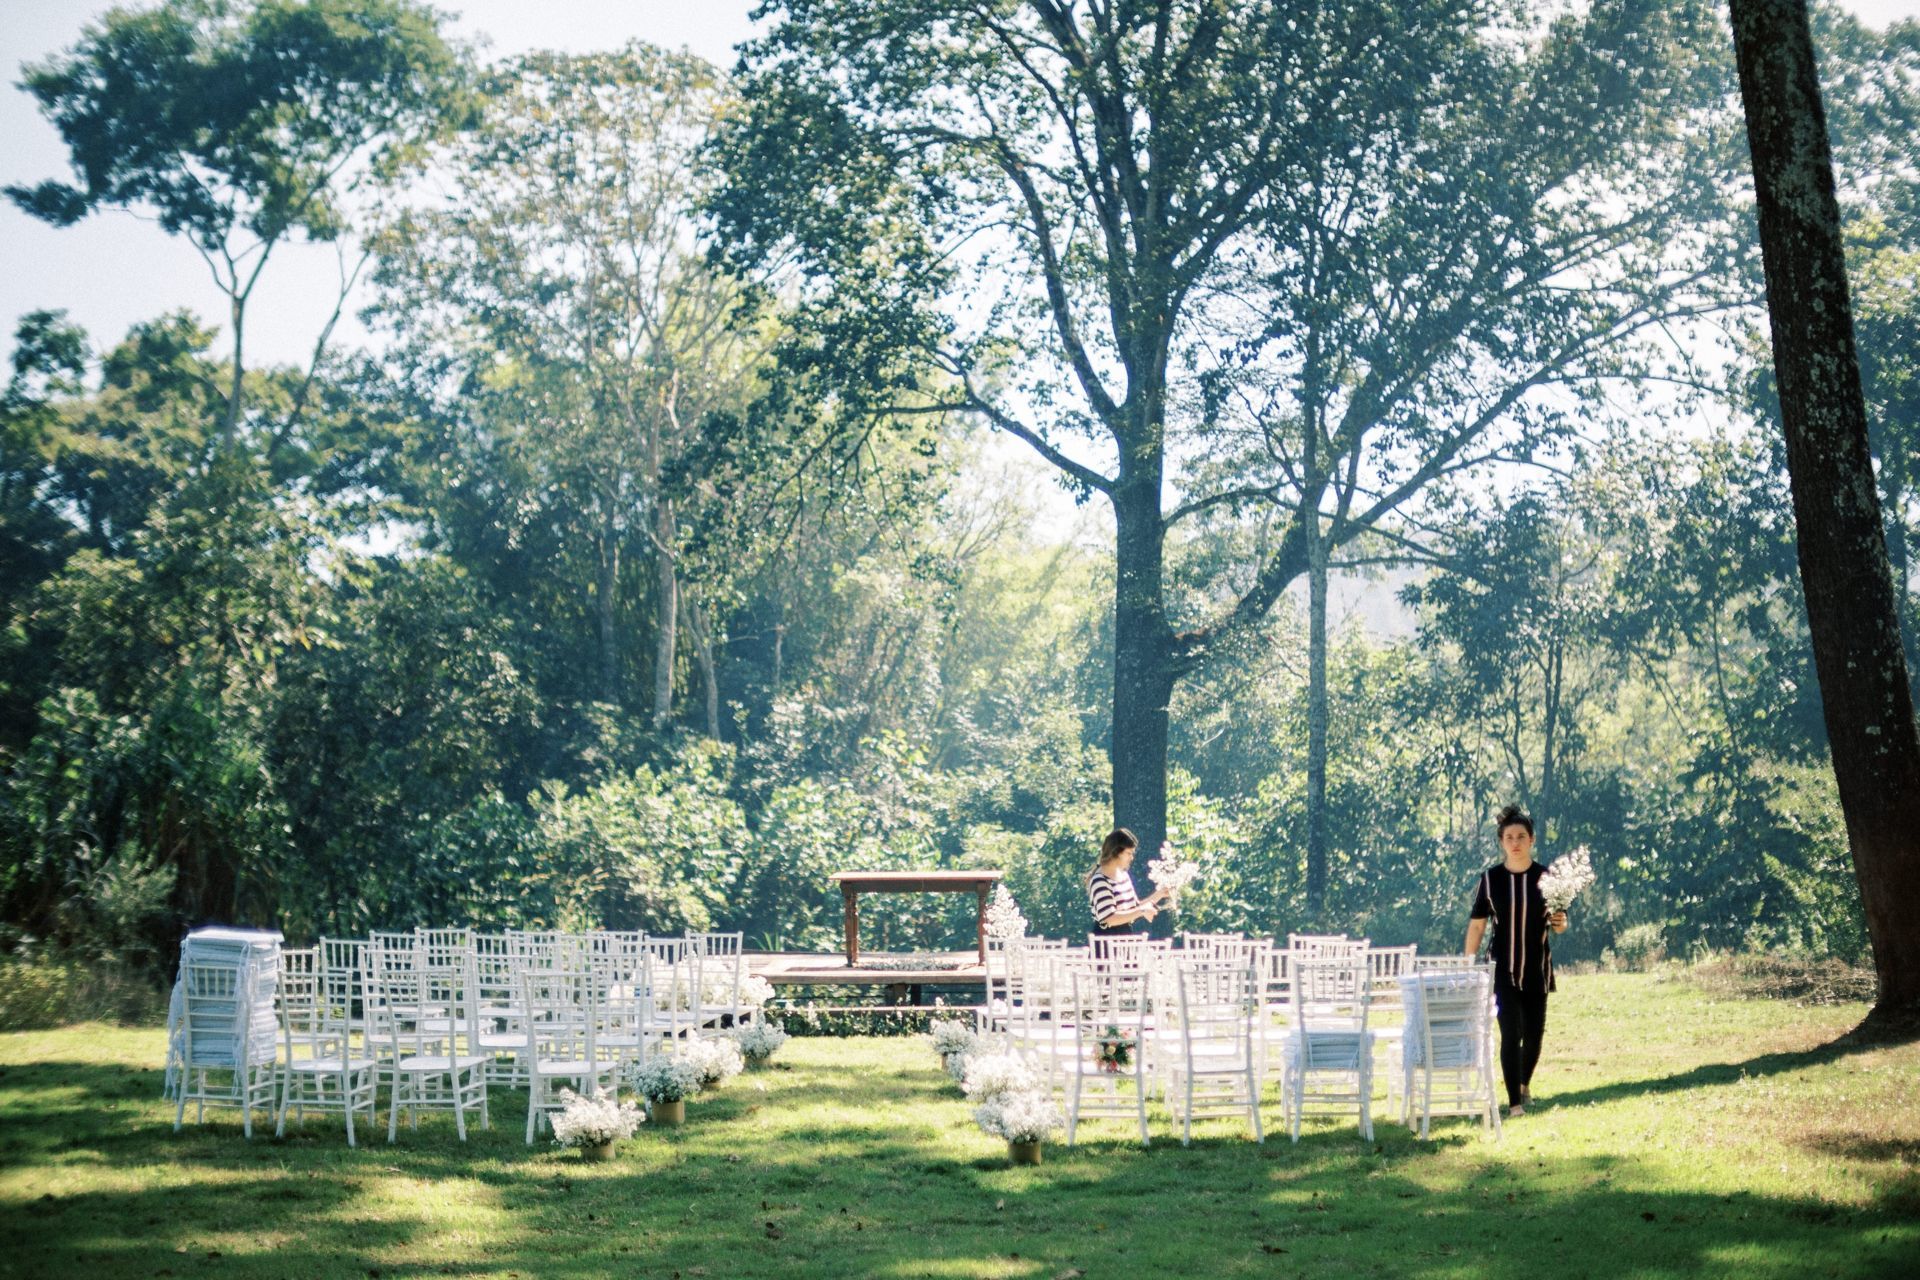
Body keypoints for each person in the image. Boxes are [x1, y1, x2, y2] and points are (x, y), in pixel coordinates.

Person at [1464, 804, 1568, 1117]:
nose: (1515, 842)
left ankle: (1523, 1084)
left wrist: (1561, 923)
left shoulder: (1547, 878)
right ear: (1501, 842)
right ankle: (1514, 1105)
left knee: (1533, 1037)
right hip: (1501, 970)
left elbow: (1559, 924)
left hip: (1537, 968)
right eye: (1509, 837)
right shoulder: (1491, 879)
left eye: (1521, 836)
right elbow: (1477, 925)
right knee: (1511, 1034)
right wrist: (1467, 964)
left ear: (1532, 840)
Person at [1087, 827, 1168, 945]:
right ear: (1116, 852)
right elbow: (1109, 918)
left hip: (1125, 941)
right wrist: (1142, 910)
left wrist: (1160, 893)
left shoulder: (1124, 875)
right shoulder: (1100, 880)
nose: (1132, 858)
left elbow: (1134, 907)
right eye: (1128, 853)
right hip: (1106, 944)